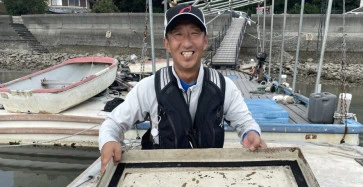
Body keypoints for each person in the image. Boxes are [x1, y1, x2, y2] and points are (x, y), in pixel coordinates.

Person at [99, 4, 267, 174]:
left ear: (205, 40)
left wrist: (250, 134)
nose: (187, 43)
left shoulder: (224, 87)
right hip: (161, 175)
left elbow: (245, 123)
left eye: (194, 33)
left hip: (211, 174)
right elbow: (112, 123)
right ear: (167, 43)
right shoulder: (149, 87)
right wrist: (108, 141)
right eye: (178, 34)